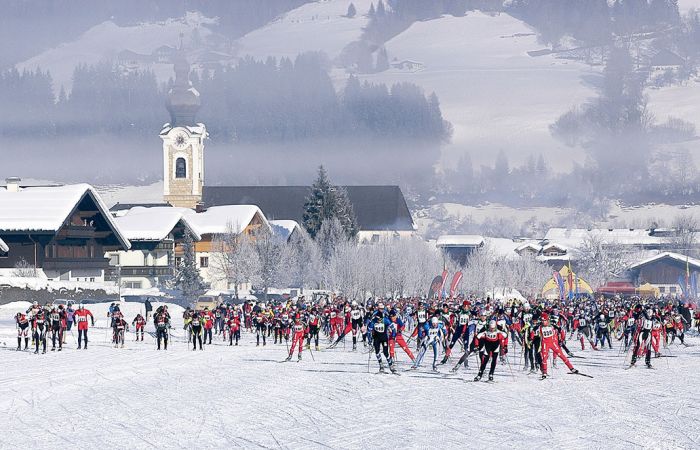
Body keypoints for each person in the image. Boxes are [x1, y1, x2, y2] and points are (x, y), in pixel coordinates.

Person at [537, 313, 578, 379]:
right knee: (544, 358)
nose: (543, 322)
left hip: (553, 343)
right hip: (545, 344)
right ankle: (544, 372)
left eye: (544, 320)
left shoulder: (552, 325)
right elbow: (533, 331)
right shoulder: (540, 326)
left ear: (547, 320)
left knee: (562, 355)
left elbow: (560, 329)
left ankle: (571, 368)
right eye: (542, 321)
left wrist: (561, 338)